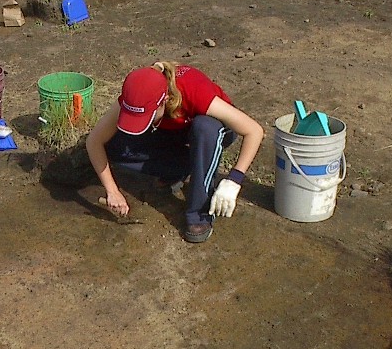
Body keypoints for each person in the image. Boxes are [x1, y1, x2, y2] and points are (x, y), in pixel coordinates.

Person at [86, 61, 264, 243]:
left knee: (204, 128)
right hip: (173, 130)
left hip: (212, 131)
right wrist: (112, 191)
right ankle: (180, 168)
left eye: (146, 115)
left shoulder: (194, 91)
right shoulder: (136, 95)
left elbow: (254, 131)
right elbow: (94, 141)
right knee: (116, 146)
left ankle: (199, 213)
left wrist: (234, 179)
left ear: (164, 101)